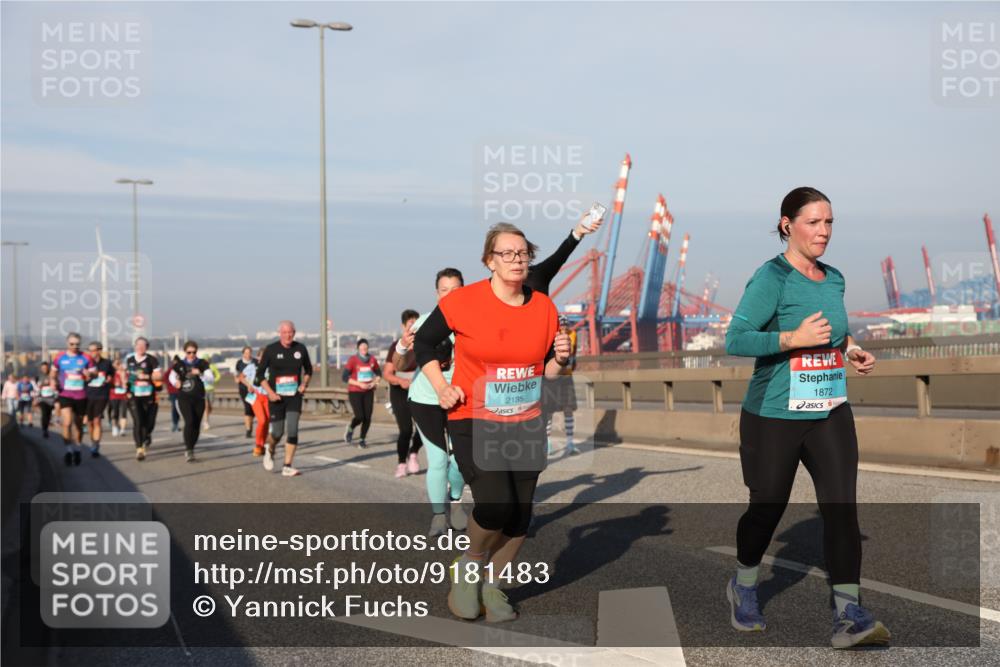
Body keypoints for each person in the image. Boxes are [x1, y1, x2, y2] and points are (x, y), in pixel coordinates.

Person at [724, 187, 888, 649]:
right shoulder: (771, 277)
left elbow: (838, 330)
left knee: (841, 509)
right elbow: (736, 339)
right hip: (773, 415)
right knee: (767, 507)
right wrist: (791, 338)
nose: (823, 231)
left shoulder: (833, 278)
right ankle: (745, 584)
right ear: (786, 225)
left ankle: (848, 614)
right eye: (814, 222)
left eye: (829, 222)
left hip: (829, 409)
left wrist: (851, 348)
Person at [415, 223, 571, 623]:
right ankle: (468, 570)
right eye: (507, 253)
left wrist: (562, 358)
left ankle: (494, 587)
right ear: (490, 260)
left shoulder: (543, 307)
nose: (517, 260)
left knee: (520, 515)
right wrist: (440, 384)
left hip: (525, 420)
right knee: (496, 503)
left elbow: (549, 374)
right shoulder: (464, 302)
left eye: (523, 253)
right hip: (473, 416)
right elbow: (425, 342)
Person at [406, 268, 468, 536]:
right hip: (425, 399)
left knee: (461, 460)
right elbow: (401, 363)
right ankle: (438, 516)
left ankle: (455, 502)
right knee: (439, 458)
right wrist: (400, 347)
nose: (450, 295)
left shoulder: (472, 322)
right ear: (437, 293)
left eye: (456, 290)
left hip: (459, 398)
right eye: (445, 290)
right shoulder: (423, 323)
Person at [255, 320, 312, 477]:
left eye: (291, 332)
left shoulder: (300, 349)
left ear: (294, 333)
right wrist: (270, 393)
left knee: (293, 430)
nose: (288, 335)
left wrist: (304, 384)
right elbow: (259, 375)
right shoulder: (271, 350)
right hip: (276, 398)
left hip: (294, 396)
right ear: (279, 333)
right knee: (277, 433)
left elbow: (308, 370)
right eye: (285, 332)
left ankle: (287, 465)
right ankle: (270, 449)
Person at [383, 310, 424, 478]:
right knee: (406, 430)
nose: (413, 328)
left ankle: (413, 453)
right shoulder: (396, 346)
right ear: (403, 326)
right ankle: (401, 463)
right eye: (410, 325)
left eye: (416, 325)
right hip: (400, 391)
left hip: (420, 390)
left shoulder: (423, 344)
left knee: (423, 429)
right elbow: (387, 373)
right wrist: (401, 381)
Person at [51, 332, 95, 466]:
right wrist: (53, 381)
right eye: (72, 344)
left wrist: (90, 374)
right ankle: (69, 450)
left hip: (81, 396)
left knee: (78, 426)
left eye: (77, 344)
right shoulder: (60, 357)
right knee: (67, 422)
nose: (75, 347)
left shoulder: (86, 357)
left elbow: (94, 373)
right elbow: (52, 373)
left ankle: (77, 449)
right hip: (65, 394)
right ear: (67, 344)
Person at [169, 341, 213, 462]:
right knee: (189, 421)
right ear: (185, 352)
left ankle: (191, 447)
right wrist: (175, 382)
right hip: (184, 398)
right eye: (189, 352)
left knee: (196, 425)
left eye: (194, 352)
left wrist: (201, 373)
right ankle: (189, 449)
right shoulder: (180, 364)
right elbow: (171, 376)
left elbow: (211, 379)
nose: (191, 355)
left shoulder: (202, 363)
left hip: (199, 398)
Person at [541, 319, 580, 456]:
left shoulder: (573, 334)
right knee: (549, 412)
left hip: (567, 377)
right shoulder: (552, 334)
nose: (564, 327)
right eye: (561, 324)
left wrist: (571, 368)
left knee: (568, 410)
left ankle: (570, 443)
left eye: (565, 324)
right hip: (553, 378)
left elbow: (574, 354)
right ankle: (548, 444)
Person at [125, 337, 161, 461]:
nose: (140, 347)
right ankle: (139, 449)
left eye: (143, 345)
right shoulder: (129, 360)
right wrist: (127, 388)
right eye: (138, 345)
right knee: (138, 421)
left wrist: (147, 376)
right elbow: (126, 376)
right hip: (134, 396)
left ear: (147, 347)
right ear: (135, 346)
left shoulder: (152, 360)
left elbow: (158, 375)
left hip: (149, 396)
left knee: (149, 423)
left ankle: (147, 435)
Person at [342, 339, 381, 449]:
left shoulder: (372, 359)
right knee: (360, 416)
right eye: (362, 347)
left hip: (368, 391)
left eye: (366, 347)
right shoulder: (353, 360)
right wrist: (359, 384)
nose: (364, 348)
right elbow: (344, 377)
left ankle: (362, 440)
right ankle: (350, 428)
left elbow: (379, 373)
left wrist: (375, 382)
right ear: (358, 348)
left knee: (368, 417)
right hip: (355, 391)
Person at [84, 341, 114, 457]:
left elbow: (111, 375)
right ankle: (93, 441)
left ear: (99, 351)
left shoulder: (106, 363)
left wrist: (109, 379)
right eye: (90, 350)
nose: (91, 353)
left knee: (97, 420)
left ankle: (96, 445)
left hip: (102, 394)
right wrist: (85, 377)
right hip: (87, 395)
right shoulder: (85, 363)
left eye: (94, 350)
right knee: (90, 422)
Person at [240, 347, 270, 457]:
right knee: (261, 420)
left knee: (267, 421)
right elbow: (241, 377)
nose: (264, 359)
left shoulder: (271, 368)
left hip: (268, 397)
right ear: (258, 357)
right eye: (262, 356)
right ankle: (258, 444)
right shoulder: (252, 367)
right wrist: (249, 385)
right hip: (256, 396)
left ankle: (263, 444)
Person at [234, 346, 255, 438]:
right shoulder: (239, 363)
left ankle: (250, 425)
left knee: (253, 409)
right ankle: (248, 429)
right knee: (247, 408)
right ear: (243, 354)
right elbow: (237, 374)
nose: (248, 355)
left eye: (249, 352)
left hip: (254, 389)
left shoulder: (255, 362)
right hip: (244, 389)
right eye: (246, 353)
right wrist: (237, 379)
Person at [35, 362, 58, 438]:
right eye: (43, 368)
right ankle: (44, 430)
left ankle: (46, 428)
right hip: (42, 398)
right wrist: (35, 398)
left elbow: (57, 385)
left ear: (48, 368)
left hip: (51, 398)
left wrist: (54, 385)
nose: (44, 369)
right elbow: (36, 387)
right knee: (44, 414)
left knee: (48, 415)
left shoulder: (53, 376)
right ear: (41, 369)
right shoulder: (39, 376)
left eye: (46, 368)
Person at [108, 360, 129, 438]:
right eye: (117, 364)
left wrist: (123, 377)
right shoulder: (113, 374)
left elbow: (127, 384)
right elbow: (110, 383)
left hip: (124, 395)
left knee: (124, 412)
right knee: (115, 412)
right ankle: (115, 427)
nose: (119, 366)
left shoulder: (126, 374)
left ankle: (123, 429)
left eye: (120, 364)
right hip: (114, 395)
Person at [202, 355, 220, 429]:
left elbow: (218, 375)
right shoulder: (200, 368)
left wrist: (214, 381)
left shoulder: (213, 367)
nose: (206, 361)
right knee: (205, 406)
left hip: (211, 389)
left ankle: (206, 417)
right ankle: (206, 421)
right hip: (203, 389)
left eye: (207, 360)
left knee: (210, 407)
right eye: (204, 360)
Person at [165, 355, 181, 432]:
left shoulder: (181, 369)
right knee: (175, 407)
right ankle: (175, 424)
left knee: (180, 408)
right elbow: (165, 377)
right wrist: (169, 386)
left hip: (181, 391)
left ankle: (178, 423)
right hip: (173, 392)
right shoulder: (170, 369)